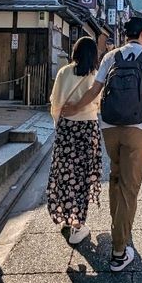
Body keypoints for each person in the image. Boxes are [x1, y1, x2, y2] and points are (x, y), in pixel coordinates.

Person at [61, 17, 142, 271]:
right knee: (130, 187)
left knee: (117, 178)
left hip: (109, 127)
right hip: (136, 129)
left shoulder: (111, 57)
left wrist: (74, 107)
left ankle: (117, 227)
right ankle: (119, 251)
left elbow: (95, 90)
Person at [47, 36, 102, 246]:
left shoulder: (64, 72)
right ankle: (78, 225)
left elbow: (56, 103)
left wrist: (58, 124)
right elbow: (97, 103)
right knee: (83, 176)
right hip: (88, 129)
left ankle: (66, 217)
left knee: (65, 174)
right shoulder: (95, 76)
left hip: (67, 129)